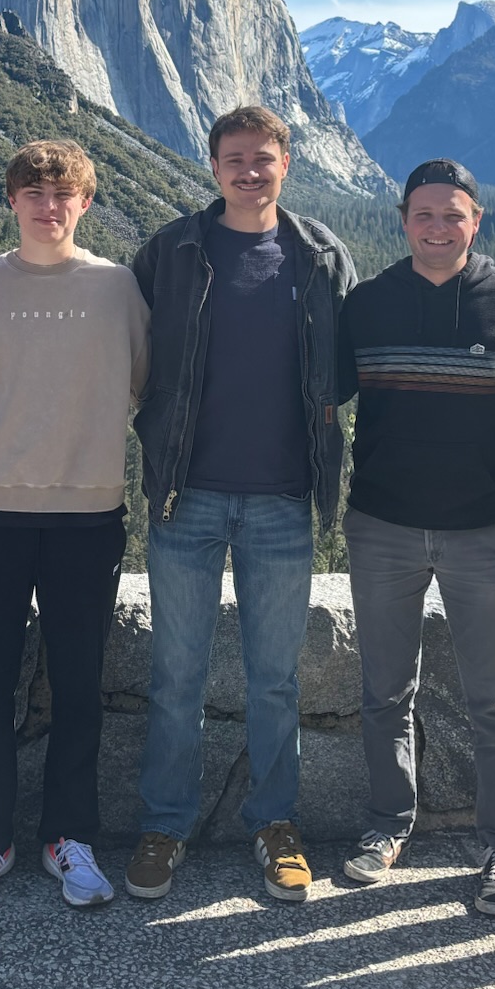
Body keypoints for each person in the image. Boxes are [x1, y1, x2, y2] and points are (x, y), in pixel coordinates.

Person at [123, 106, 357, 905]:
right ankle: (165, 824)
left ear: (286, 162)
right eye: (233, 158)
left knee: (275, 680)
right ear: (213, 164)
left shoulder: (322, 254)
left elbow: (343, 366)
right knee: (175, 675)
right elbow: (125, 342)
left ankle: (274, 823)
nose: (248, 170)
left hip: (284, 500)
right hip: (185, 498)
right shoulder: (172, 250)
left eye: (262, 157)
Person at [0, 140, 150, 909]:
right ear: (12, 201)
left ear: (84, 204)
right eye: (33, 192)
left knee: (80, 689)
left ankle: (70, 838)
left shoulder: (118, 289)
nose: (48, 206)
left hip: (89, 519)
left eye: (63, 194)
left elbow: (149, 388)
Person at [335, 159, 495, 915]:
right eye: (423, 214)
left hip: (481, 532)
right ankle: (387, 826)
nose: (437, 227)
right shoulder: (368, 305)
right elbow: (319, 399)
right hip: (382, 526)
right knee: (385, 690)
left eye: (452, 215)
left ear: (475, 220)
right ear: (402, 219)